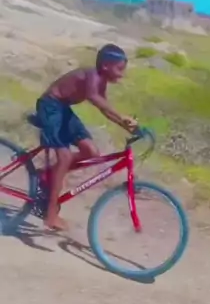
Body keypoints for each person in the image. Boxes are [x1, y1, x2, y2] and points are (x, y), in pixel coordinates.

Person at [34, 44, 137, 230]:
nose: (122, 74)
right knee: (65, 157)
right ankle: (50, 215)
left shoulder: (101, 81)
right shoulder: (92, 75)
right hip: (50, 106)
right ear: (105, 65)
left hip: (63, 109)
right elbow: (94, 98)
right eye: (119, 69)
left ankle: (47, 174)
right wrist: (122, 116)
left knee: (91, 152)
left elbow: (104, 108)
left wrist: (126, 126)